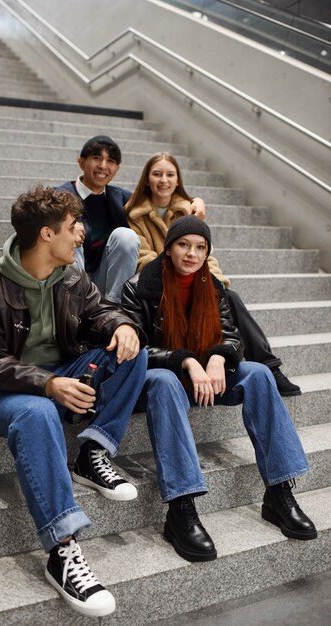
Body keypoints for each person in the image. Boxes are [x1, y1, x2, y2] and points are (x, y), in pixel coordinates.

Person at [0, 185, 149, 618]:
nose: (80, 236)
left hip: (61, 380)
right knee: (38, 410)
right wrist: (47, 384)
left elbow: (101, 312)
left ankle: (93, 451)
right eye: (73, 228)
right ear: (45, 235)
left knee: (133, 349)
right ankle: (63, 553)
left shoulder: (72, 278)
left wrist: (123, 325)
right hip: (3, 396)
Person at [121, 215, 317, 563]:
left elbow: (231, 336)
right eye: (183, 245)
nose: (192, 254)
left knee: (257, 374)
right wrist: (185, 361)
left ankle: (279, 493)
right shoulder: (139, 287)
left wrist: (217, 357)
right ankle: (181, 510)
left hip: (204, 376)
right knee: (165, 382)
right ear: (168, 249)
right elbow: (135, 347)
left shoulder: (212, 287)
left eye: (200, 248)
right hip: (159, 376)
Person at [124, 152, 301, 397]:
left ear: (178, 181)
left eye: (170, 174)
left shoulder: (191, 210)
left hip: (193, 278)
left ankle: (270, 367)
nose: (163, 180)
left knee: (230, 296)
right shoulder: (133, 213)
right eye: (157, 174)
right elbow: (142, 256)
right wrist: (170, 265)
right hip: (155, 282)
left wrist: (215, 284)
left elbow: (206, 255)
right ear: (146, 179)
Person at [57, 135, 206, 303]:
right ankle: (74, 305)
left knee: (125, 235)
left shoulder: (121, 198)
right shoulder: (60, 195)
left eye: (110, 161)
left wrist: (195, 201)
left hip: (104, 276)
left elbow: (156, 198)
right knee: (68, 234)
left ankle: (114, 308)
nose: (103, 166)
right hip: (71, 280)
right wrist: (67, 226)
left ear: (117, 168)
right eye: (96, 158)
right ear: (81, 162)